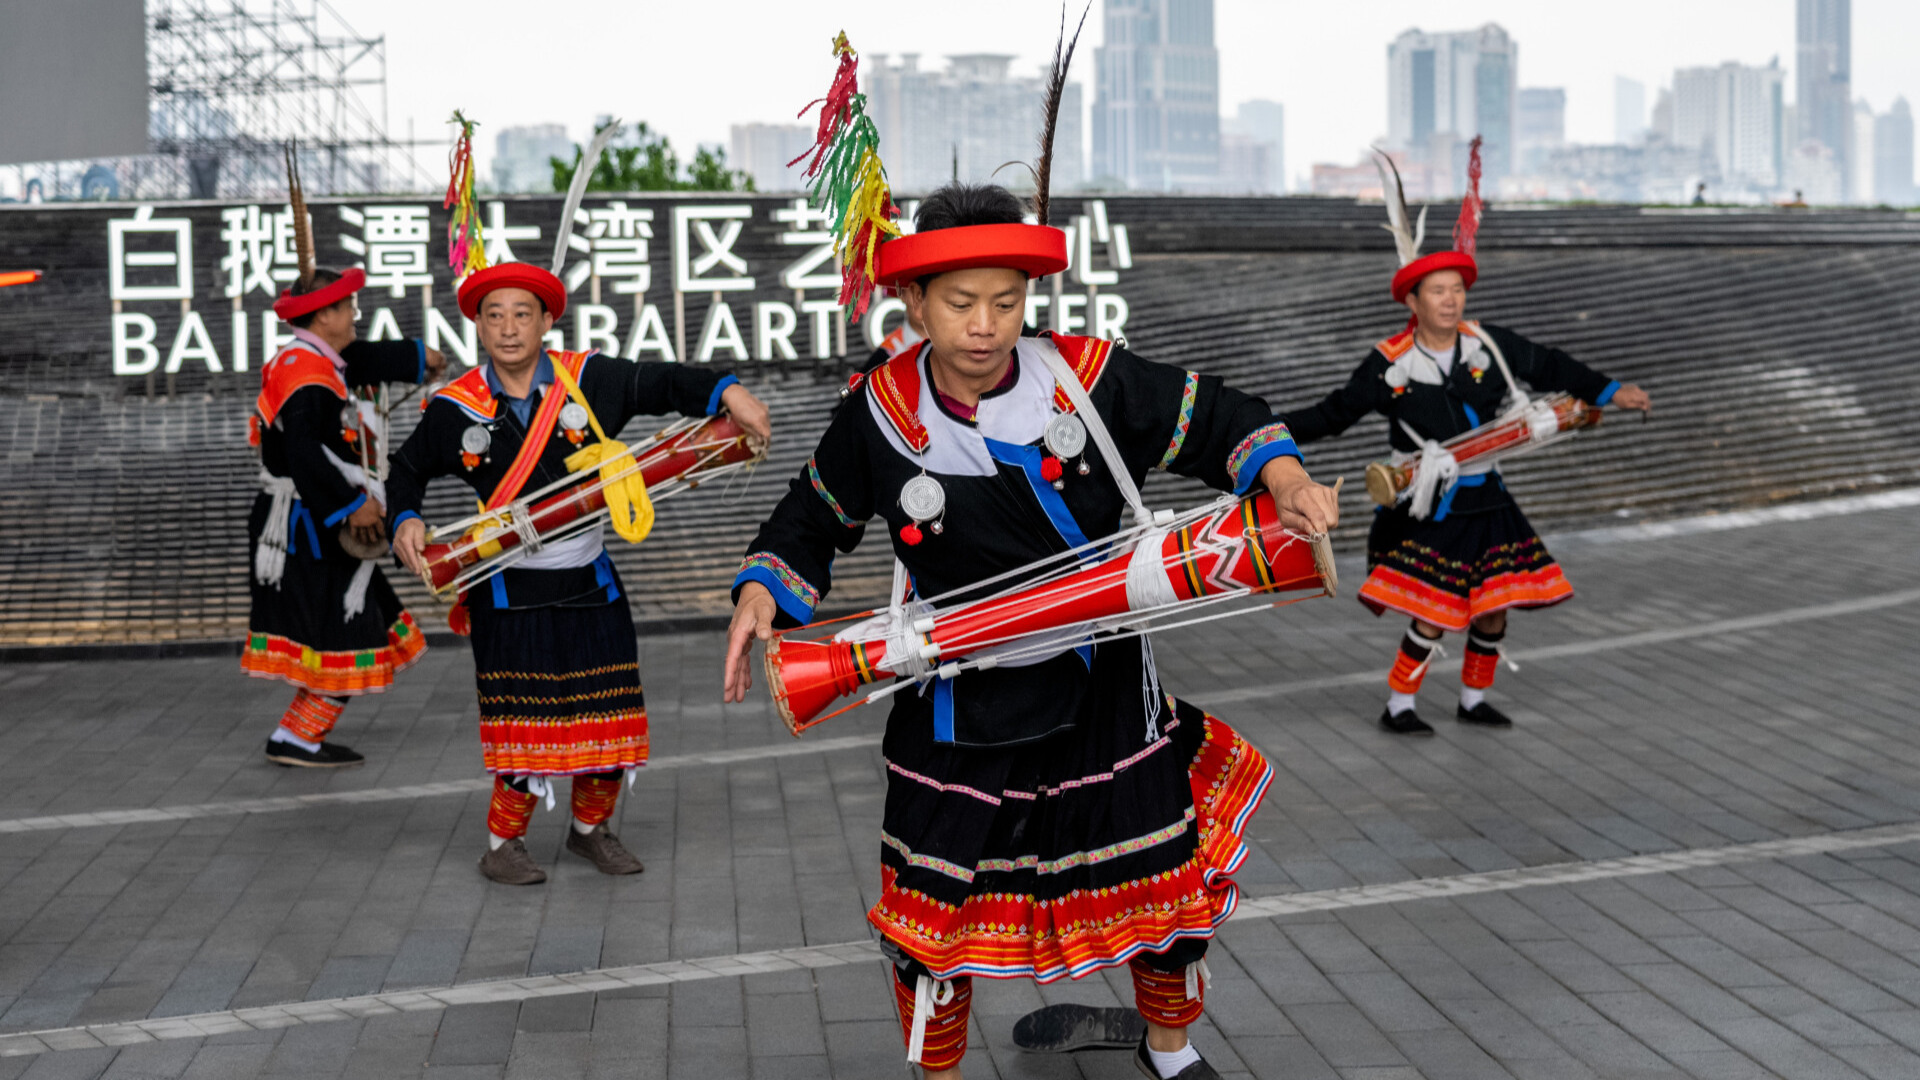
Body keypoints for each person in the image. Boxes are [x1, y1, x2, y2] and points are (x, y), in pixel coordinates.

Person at [724, 183, 1340, 1080]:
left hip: (1102, 686)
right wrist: (761, 593)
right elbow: (813, 517)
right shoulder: (879, 411)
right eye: (962, 304)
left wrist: (1284, 482)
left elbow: (1222, 420)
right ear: (914, 304)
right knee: (929, 921)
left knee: (1161, 885)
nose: (986, 326)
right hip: (958, 704)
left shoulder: (1087, 378)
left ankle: (1170, 1053)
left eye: (1006, 303)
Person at [388, 262, 771, 884]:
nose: (509, 328)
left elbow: (660, 381)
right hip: (508, 588)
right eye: (494, 316)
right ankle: (502, 844)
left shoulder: (587, 379)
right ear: (478, 327)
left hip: (589, 579)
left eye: (522, 314)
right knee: (524, 720)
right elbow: (405, 470)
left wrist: (728, 392)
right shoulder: (454, 407)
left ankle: (589, 831)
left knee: (610, 710)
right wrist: (404, 518)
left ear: (546, 321)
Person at [1282, 141, 1651, 736]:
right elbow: (1333, 414)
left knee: (1496, 607)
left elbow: (1551, 366)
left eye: (1457, 289)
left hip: (1489, 496)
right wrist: (1263, 431)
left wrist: (1610, 392)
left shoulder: (1489, 346)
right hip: (1431, 504)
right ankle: (1399, 705)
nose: (1451, 299)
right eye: (1437, 291)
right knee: (1433, 613)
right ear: (1413, 300)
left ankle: (1474, 698)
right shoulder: (1388, 364)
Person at [244, 263, 444, 767]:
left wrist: (421, 359)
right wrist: (353, 505)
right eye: (347, 307)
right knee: (351, 631)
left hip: (310, 520)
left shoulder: (313, 358)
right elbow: (306, 454)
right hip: (305, 527)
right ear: (325, 314)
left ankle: (296, 736)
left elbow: (359, 358)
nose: (355, 314)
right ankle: (296, 738)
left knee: (351, 627)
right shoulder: (306, 375)